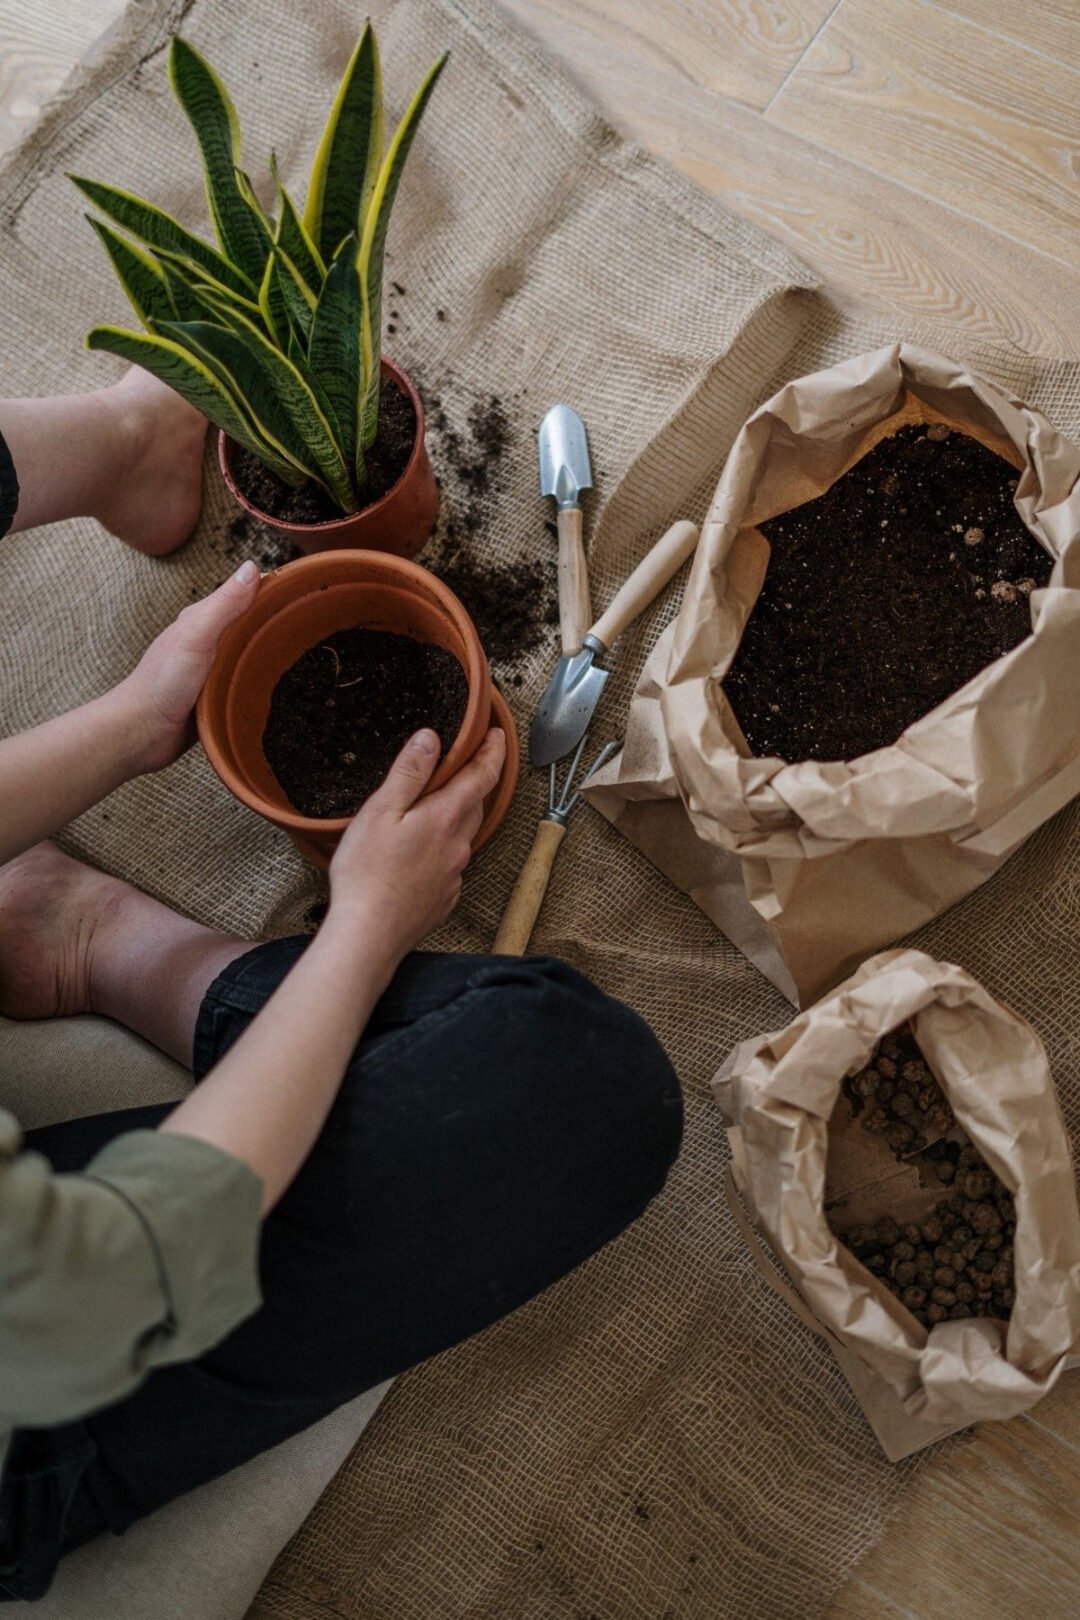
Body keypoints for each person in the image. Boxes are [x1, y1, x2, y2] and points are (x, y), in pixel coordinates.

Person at [0, 370, 683, 1601]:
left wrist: (134, 724)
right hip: (46, 1363)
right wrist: (362, 932)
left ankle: (114, 444)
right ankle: (113, 945)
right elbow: (118, 1269)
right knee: (575, 1089)